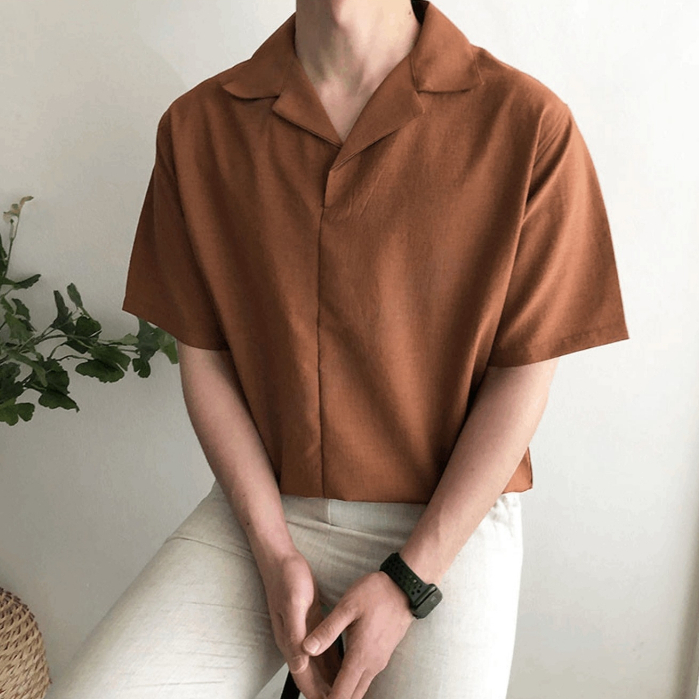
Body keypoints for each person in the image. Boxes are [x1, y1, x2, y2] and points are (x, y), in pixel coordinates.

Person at [49, 0, 630, 698]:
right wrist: (272, 553)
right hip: (263, 513)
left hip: (448, 524)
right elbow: (206, 359)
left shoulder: (527, 125)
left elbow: (523, 375)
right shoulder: (199, 127)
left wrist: (410, 578)